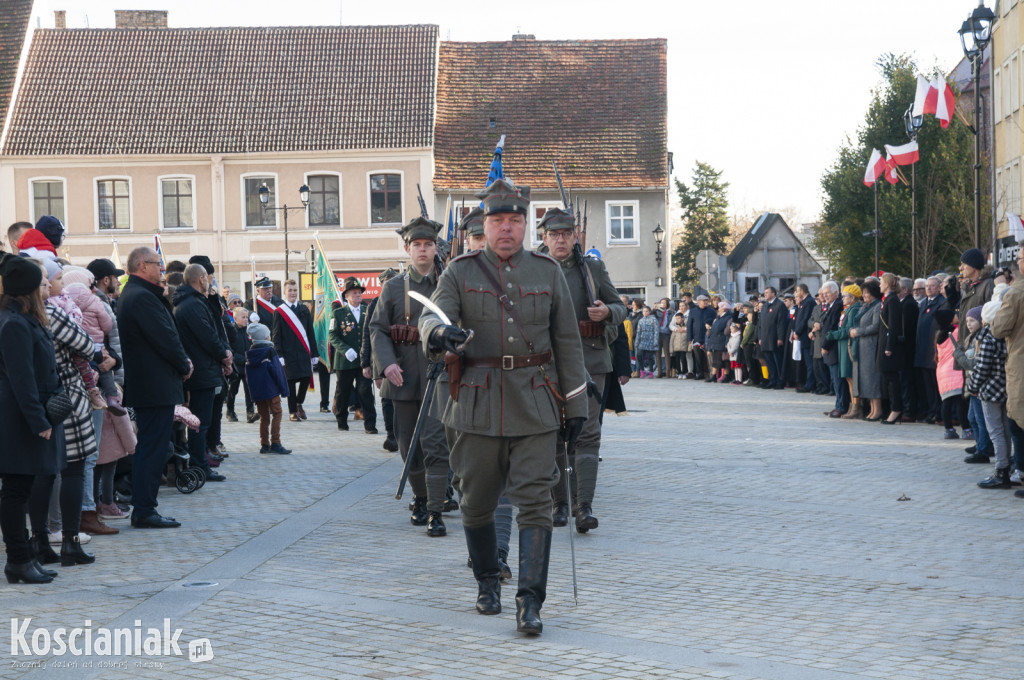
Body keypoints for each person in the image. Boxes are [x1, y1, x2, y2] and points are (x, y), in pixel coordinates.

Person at [418, 177, 588, 636]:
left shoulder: (547, 272)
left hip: (535, 402)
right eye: (499, 221)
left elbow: (567, 344)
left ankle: (530, 601)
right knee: (476, 502)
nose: (507, 229)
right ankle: (487, 581)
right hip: (475, 402)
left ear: (527, 224)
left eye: (516, 220)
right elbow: (431, 314)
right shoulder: (460, 270)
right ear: (486, 224)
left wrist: (576, 410)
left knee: (535, 502)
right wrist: (439, 335)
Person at [536, 206, 626, 533]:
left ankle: (583, 504)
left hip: (590, 359)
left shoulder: (593, 270)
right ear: (543, 238)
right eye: (554, 234)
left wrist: (607, 313)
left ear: (576, 236)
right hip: (550, 364)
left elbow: (620, 306)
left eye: (566, 233)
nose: (560, 239)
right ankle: (559, 502)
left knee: (588, 433)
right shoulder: (535, 269)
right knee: (554, 433)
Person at [369, 218, 452, 534]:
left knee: (437, 445)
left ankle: (434, 507)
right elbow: (377, 329)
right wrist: (386, 364)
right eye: (416, 245)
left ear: (435, 248)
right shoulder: (392, 288)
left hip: (440, 378)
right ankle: (420, 496)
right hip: (402, 377)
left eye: (428, 244)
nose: (422, 250)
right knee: (408, 448)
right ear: (407, 249)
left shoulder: (448, 283)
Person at [117, 247, 192, 528]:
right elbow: (165, 338)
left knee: (154, 446)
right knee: (152, 448)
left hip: (153, 383)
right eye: (156, 264)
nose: (161, 269)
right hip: (153, 384)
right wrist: (184, 365)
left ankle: (145, 507)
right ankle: (144, 510)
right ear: (141, 266)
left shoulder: (141, 294)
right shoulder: (140, 297)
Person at [0, 255, 61, 583]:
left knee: (19, 488)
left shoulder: (24, 319)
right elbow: (21, 379)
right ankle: (18, 561)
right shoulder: (13, 323)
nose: (47, 285)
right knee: (15, 490)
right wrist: (39, 421)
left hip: (25, 415)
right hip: (17, 419)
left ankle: (23, 559)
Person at [172, 264, 231, 482]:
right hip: (201, 371)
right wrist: (225, 355)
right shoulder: (191, 305)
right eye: (207, 278)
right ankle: (200, 465)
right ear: (200, 279)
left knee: (201, 421)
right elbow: (207, 336)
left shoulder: (194, 302)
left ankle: (201, 462)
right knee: (200, 422)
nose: (210, 281)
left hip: (204, 368)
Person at [970, 298, 1011, 489]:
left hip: (991, 390)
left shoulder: (988, 338)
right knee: (1005, 430)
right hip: (1006, 387)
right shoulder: (1007, 335)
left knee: (996, 432)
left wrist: (972, 386)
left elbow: (982, 367)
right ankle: (1007, 467)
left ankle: (1001, 470)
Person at [330, 277, 377, 434]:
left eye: (359, 292)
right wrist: (345, 349)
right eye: (354, 293)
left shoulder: (367, 310)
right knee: (343, 392)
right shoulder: (338, 314)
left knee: (365, 391)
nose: (358, 295)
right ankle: (342, 420)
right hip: (345, 361)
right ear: (346, 296)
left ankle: (370, 424)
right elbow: (332, 336)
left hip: (364, 361)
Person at [272, 279, 319, 422]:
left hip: (303, 351)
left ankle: (299, 403)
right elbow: (276, 335)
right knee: (290, 383)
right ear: (285, 292)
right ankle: (292, 411)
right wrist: (279, 354)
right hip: (288, 352)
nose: (293, 293)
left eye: (295, 290)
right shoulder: (279, 312)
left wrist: (314, 353)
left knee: (306, 378)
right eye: (290, 290)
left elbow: (311, 332)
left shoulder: (304, 309)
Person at [363, 268, 399, 451]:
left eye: (395, 279)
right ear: (382, 284)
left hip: (401, 356)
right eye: (388, 281)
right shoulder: (375, 303)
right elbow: (369, 334)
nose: (392, 284)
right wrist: (366, 363)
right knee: (386, 397)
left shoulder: (403, 300)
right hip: (380, 357)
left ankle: (401, 433)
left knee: (401, 397)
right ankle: (391, 434)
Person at [244, 322, 291, 454]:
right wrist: (284, 390)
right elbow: (277, 372)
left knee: (264, 417)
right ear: (265, 337)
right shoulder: (270, 351)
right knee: (277, 413)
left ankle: (264, 444)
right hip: (271, 390)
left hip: (258, 391)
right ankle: (276, 442)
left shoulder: (251, 352)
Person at [827, 285, 863, 419]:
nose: (843, 298)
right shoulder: (847, 310)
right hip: (842, 346)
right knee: (848, 378)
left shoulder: (854, 310)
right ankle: (851, 406)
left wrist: (834, 334)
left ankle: (856, 407)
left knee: (852, 378)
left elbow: (848, 329)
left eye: (845, 296)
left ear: (853, 298)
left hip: (848, 345)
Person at [914, 277, 946, 423]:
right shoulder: (924, 304)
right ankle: (930, 410)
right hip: (922, 350)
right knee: (926, 384)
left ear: (939, 287)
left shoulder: (941, 303)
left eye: (932, 286)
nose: (928, 288)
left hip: (933, 351)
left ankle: (938, 412)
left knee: (935, 385)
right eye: (927, 286)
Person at [850, 280, 882, 420]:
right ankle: (872, 408)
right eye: (863, 293)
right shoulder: (865, 306)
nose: (864, 296)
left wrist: (859, 331)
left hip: (870, 344)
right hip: (861, 345)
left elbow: (875, 326)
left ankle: (878, 409)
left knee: (872, 377)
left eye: (867, 293)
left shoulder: (877, 306)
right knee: (865, 378)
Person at [878, 273, 904, 424]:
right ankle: (890, 409)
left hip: (889, 344)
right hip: (884, 342)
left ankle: (896, 409)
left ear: (887, 284)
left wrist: (889, 346)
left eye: (881, 282)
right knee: (886, 379)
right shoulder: (888, 299)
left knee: (892, 379)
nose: (880, 284)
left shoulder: (892, 300)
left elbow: (893, 325)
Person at [757, 287, 788, 389]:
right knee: (769, 361)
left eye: (767, 292)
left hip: (774, 338)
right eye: (764, 292)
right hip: (765, 339)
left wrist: (780, 338)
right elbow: (760, 323)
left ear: (773, 294)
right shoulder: (765, 306)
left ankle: (780, 381)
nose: (765, 294)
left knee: (777, 361)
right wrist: (760, 337)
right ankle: (772, 380)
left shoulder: (780, 305)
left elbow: (781, 323)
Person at [792, 284, 816, 392]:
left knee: (809, 363)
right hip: (801, 336)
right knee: (806, 362)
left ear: (801, 291)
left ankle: (810, 385)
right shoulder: (803, 303)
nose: (796, 294)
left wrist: (798, 331)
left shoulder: (809, 302)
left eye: (797, 291)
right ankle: (807, 383)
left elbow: (805, 318)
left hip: (806, 336)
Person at [687, 294, 714, 380]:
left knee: (708, 357)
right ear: (698, 302)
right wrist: (689, 338)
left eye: (706, 300)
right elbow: (689, 325)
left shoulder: (711, 311)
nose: (706, 302)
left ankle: (709, 373)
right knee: (698, 357)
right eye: (703, 300)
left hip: (708, 337)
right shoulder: (693, 311)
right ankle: (699, 373)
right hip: (697, 337)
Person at [634, 306, 659, 377]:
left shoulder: (654, 320)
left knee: (650, 357)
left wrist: (655, 341)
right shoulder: (641, 320)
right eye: (643, 311)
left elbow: (656, 331)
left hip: (651, 340)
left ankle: (651, 371)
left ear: (650, 312)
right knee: (639, 355)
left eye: (646, 311)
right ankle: (642, 370)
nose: (645, 313)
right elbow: (638, 332)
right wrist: (637, 342)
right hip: (642, 340)